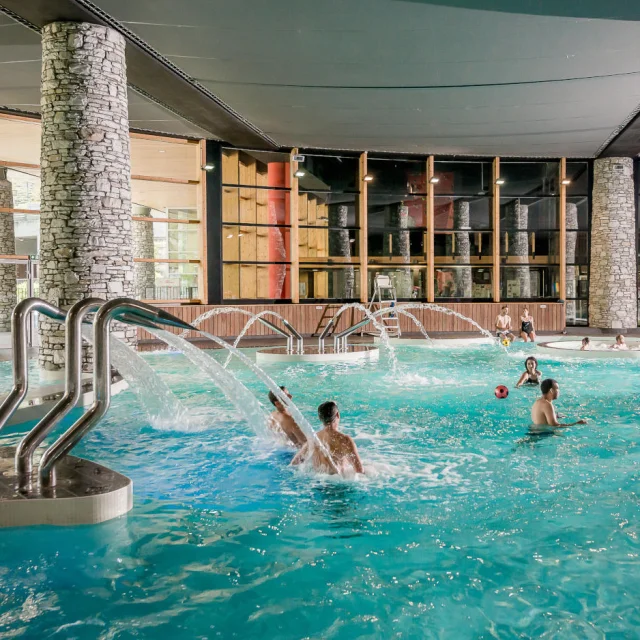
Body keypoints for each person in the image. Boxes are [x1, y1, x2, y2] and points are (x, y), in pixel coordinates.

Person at [291, 401, 364, 475]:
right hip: (338, 485)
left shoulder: (314, 439)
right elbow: (359, 471)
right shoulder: (345, 440)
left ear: (320, 418)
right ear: (338, 415)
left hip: (318, 483)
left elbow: (295, 463)